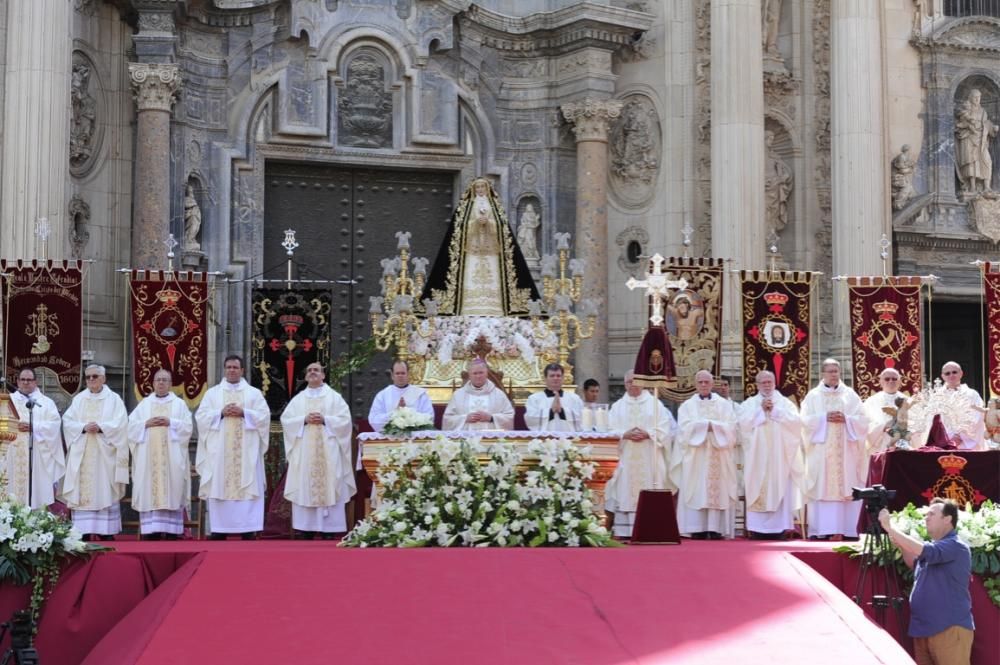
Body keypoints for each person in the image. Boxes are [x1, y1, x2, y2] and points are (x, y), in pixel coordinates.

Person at [422, 177, 540, 316]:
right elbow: (459, 227)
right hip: (472, 248)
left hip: (492, 249)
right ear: (473, 189)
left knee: (493, 272)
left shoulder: (495, 207)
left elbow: (503, 228)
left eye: (482, 187)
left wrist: (489, 222)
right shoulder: (466, 206)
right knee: (471, 271)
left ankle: (494, 307)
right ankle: (469, 306)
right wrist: (475, 222)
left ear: (487, 189)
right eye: (477, 188)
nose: (480, 190)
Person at [878, 498, 974, 665]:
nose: (926, 517)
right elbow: (914, 562)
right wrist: (901, 545)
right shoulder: (934, 547)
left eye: (932, 514)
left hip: (948, 628)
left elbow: (924, 551)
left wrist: (890, 528)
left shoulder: (956, 546)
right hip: (923, 629)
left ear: (947, 519)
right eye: (926, 514)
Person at [195, 355, 271, 540]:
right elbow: (201, 417)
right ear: (224, 369)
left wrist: (244, 412)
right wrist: (220, 413)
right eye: (228, 367)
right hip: (220, 451)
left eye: (235, 367)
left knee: (247, 483)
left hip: (246, 451)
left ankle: (248, 528)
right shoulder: (212, 394)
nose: (231, 370)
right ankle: (219, 529)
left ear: (242, 370)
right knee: (220, 483)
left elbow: (264, 416)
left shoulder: (254, 393)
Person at [280, 363, 355, 539]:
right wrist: (304, 419)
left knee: (331, 481)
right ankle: (305, 528)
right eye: (309, 370)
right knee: (304, 483)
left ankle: (329, 529)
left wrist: (325, 419)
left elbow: (345, 421)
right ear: (305, 376)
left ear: (323, 375)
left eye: (316, 370)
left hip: (328, 451)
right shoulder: (298, 399)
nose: (312, 372)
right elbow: (286, 420)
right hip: (305, 451)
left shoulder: (334, 398)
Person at [799, 358, 868, 539]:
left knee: (847, 489)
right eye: (829, 371)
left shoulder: (850, 395)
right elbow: (803, 422)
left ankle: (848, 530)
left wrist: (847, 419)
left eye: (836, 371)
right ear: (822, 374)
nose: (833, 375)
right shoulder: (813, 396)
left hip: (846, 453)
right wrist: (824, 418)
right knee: (823, 488)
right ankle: (823, 531)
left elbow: (862, 420)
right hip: (822, 453)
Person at [604, 370, 676, 538]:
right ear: (624, 384)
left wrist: (649, 433)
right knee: (624, 488)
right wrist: (624, 434)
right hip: (626, 456)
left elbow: (665, 429)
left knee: (649, 484)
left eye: (635, 381)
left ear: (642, 382)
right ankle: (624, 530)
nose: (632, 385)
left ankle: (649, 529)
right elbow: (609, 430)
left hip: (648, 454)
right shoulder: (617, 407)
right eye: (628, 382)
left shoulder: (655, 404)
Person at [61, 365, 130, 540]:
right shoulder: (79, 399)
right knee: (83, 491)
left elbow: (121, 423)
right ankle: (82, 531)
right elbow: (67, 422)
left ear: (103, 379)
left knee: (104, 489)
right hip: (83, 453)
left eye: (95, 376)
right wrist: (83, 427)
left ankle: (105, 531)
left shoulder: (114, 399)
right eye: (88, 377)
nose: (91, 380)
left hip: (104, 454)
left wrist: (102, 427)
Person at [672, 370, 740, 539]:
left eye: (706, 382)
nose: (703, 385)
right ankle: (697, 528)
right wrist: (708, 426)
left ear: (712, 384)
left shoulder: (724, 405)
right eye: (700, 382)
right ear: (695, 384)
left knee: (717, 490)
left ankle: (716, 528)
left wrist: (710, 427)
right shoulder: (687, 406)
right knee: (697, 489)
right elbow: (683, 429)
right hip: (697, 457)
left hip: (719, 454)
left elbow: (732, 427)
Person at [128, 369, 193, 540]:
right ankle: (151, 530)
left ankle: (172, 530)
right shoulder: (145, 404)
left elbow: (188, 428)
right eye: (158, 380)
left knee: (172, 486)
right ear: (153, 383)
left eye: (165, 380)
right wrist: (146, 423)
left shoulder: (179, 404)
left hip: (172, 458)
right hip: (149, 458)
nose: (161, 383)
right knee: (150, 487)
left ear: (171, 384)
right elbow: (131, 428)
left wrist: (171, 422)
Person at [739, 370, 804, 539]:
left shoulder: (784, 403)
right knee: (757, 485)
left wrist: (775, 411)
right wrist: (760, 411)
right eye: (763, 382)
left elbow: (796, 423)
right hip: (757, 457)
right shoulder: (749, 404)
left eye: (770, 382)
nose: (767, 385)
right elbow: (742, 425)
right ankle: (757, 529)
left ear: (775, 383)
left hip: (779, 457)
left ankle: (780, 528)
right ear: (757, 384)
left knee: (780, 486)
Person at [3, 368, 64, 509]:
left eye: (29, 380)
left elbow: (54, 425)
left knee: (36, 492)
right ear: (17, 381)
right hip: (11, 454)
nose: (25, 382)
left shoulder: (46, 403)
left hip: (37, 455)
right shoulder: (7, 401)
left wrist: (34, 426)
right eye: (22, 379)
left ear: (35, 382)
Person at [442, 359, 514, 431]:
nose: (478, 376)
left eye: (481, 373)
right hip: (465, 439)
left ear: (487, 374)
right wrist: (464, 418)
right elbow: (447, 419)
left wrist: (491, 418)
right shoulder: (458, 395)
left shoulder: (499, 394)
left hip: (491, 440)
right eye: (475, 373)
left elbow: (509, 416)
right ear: (469, 375)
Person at [368, 360, 435, 432]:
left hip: (414, 437)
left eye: (403, 373)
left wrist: (409, 416)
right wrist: (395, 413)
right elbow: (374, 419)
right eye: (397, 373)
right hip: (390, 438)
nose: (400, 376)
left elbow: (429, 417)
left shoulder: (420, 394)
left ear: (408, 374)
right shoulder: (383, 395)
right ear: (392, 375)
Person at [862, 368, 907, 460]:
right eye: (887, 379)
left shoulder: (907, 401)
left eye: (894, 379)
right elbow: (864, 423)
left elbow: (917, 424)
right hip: (879, 445)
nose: (891, 381)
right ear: (881, 382)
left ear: (899, 382)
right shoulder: (871, 402)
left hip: (903, 445)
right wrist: (883, 426)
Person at [525, 363, 583, 432]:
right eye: (552, 376)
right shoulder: (534, 399)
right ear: (545, 379)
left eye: (558, 376)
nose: (555, 378)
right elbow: (530, 418)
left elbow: (582, 417)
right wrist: (551, 411)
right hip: (544, 439)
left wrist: (562, 411)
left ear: (563, 378)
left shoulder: (574, 398)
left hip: (569, 438)